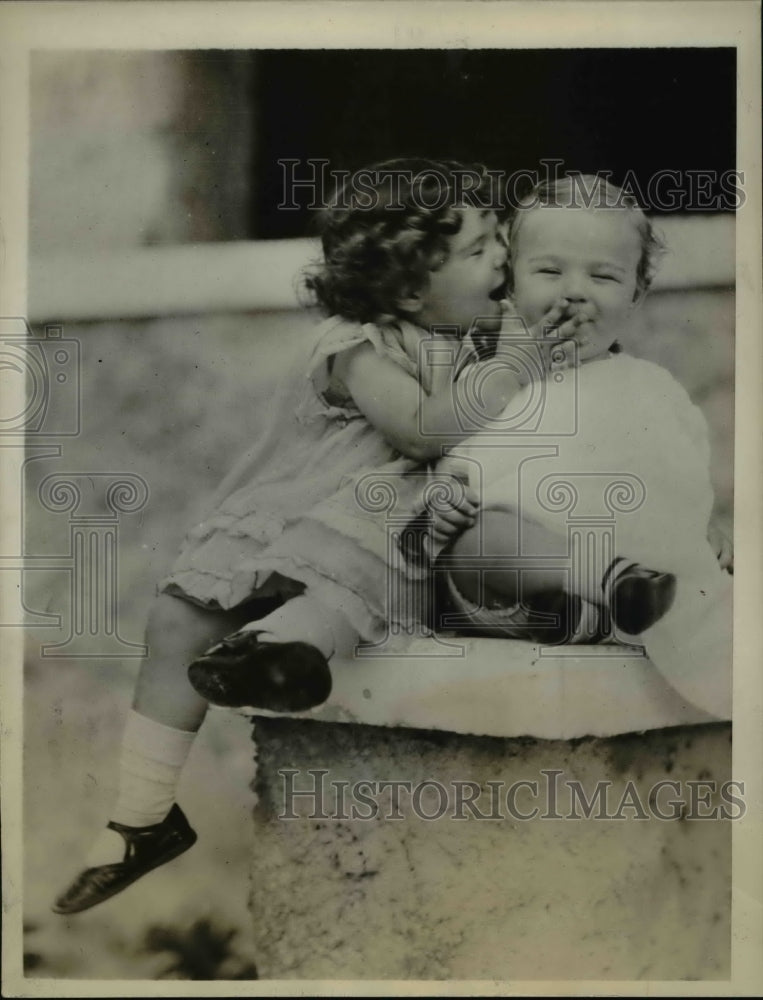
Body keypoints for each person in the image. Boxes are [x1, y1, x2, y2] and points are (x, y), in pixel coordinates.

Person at [53, 158, 592, 915]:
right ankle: (142, 814)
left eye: (496, 238)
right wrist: (517, 364)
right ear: (408, 290)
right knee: (179, 615)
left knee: (345, 573)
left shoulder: (493, 333)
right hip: (315, 504)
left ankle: (280, 655)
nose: (500, 256)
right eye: (476, 251)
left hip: (396, 526)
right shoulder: (359, 344)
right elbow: (419, 429)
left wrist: (541, 346)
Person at [435, 174, 733, 718]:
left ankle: (604, 602)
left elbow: (678, 471)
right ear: (511, 285)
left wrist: (700, 525)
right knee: (477, 541)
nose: (574, 291)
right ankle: (596, 584)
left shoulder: (651, 386)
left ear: (636, 293)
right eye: (549, 271)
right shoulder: (498, 379)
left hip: (627, 567)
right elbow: (459, 459)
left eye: (603, 276)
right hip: (517, 585)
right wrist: (448, 496)